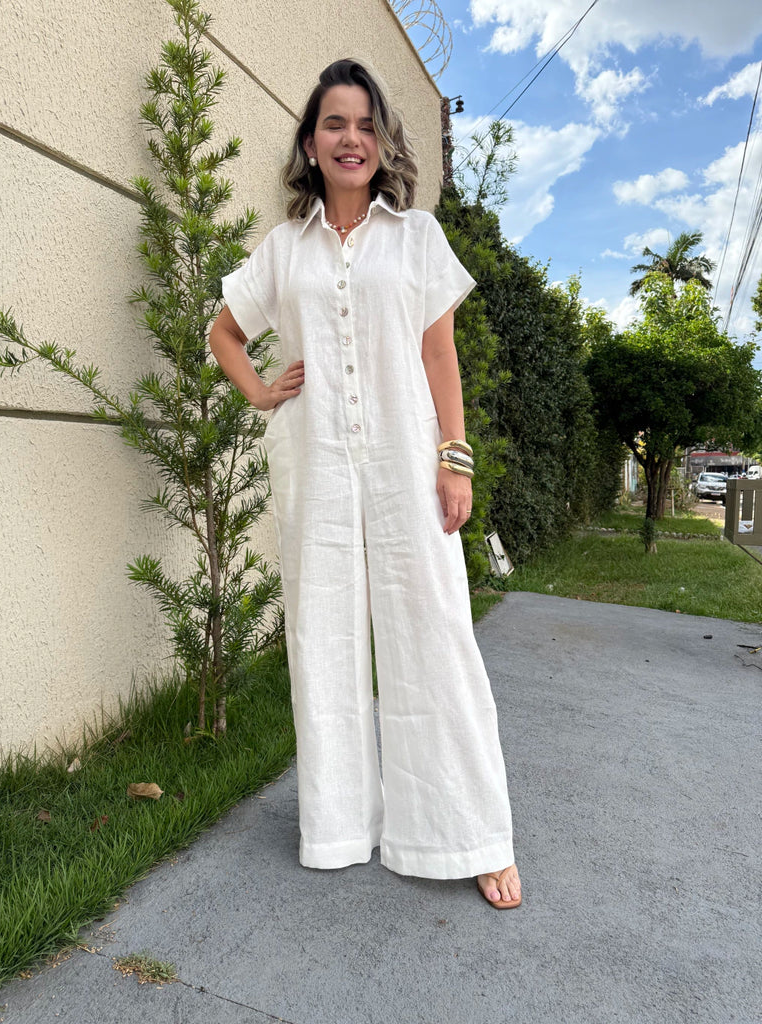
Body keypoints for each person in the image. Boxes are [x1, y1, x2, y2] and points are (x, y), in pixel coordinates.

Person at [209, 59, 522, 909]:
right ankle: (341, 824)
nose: (351, 138)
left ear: (383, 141)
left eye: (365, 124)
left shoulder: (416, 237)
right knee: (324, 639)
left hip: (405, 462)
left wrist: (455, 458)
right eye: (334, 124)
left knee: (436, 635)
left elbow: (438, 356)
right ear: (311, 144)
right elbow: (225, 332)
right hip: (315, 464)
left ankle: (471, 835)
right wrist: (261, 391)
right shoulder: (284, 249)